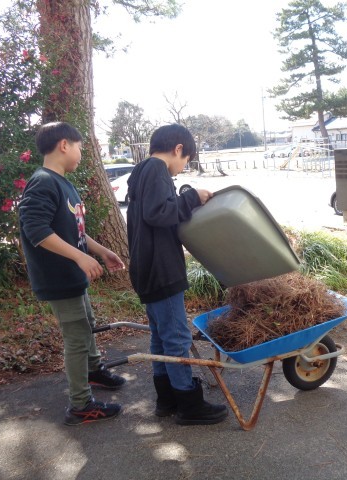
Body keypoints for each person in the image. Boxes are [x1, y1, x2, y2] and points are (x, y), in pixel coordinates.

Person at [19, 121, 127, 426]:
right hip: (58, 277)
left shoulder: (63, 183)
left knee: (86, 325)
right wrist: (79, 257)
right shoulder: (43, 182)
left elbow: (73, 230)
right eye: (80, 146)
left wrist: (100, 250)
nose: (81, 153)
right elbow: (36, 230)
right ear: (64, 145)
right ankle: (80, 405)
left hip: (72, 275)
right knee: (77, 337)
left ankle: (93, 371)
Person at [126, 123, 228, 426]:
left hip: (146, 269)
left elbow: (153, 214)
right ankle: (188, 404)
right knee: (177, 338)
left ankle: (167, 399)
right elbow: (159, 212)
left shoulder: (140, 171)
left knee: (160, 338)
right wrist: (193, 197)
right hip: (162, 271)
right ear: (178, 149)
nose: (183, 167)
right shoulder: (157, 169)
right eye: (186, 160)